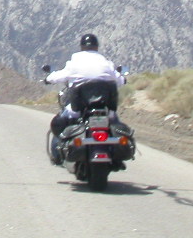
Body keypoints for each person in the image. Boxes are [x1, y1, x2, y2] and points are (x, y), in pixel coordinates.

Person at [43, 33, 129, 163]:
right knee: (116, 124)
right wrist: (123, 79)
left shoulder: (74, 62)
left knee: (59, 122)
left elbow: (59, 76)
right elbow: (120, 80)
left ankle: (57, 156)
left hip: (79, 108)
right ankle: (117, 154)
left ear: (82, 47)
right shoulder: (107, 64)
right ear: (97, 47)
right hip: (106, 108)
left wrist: (48, 79)